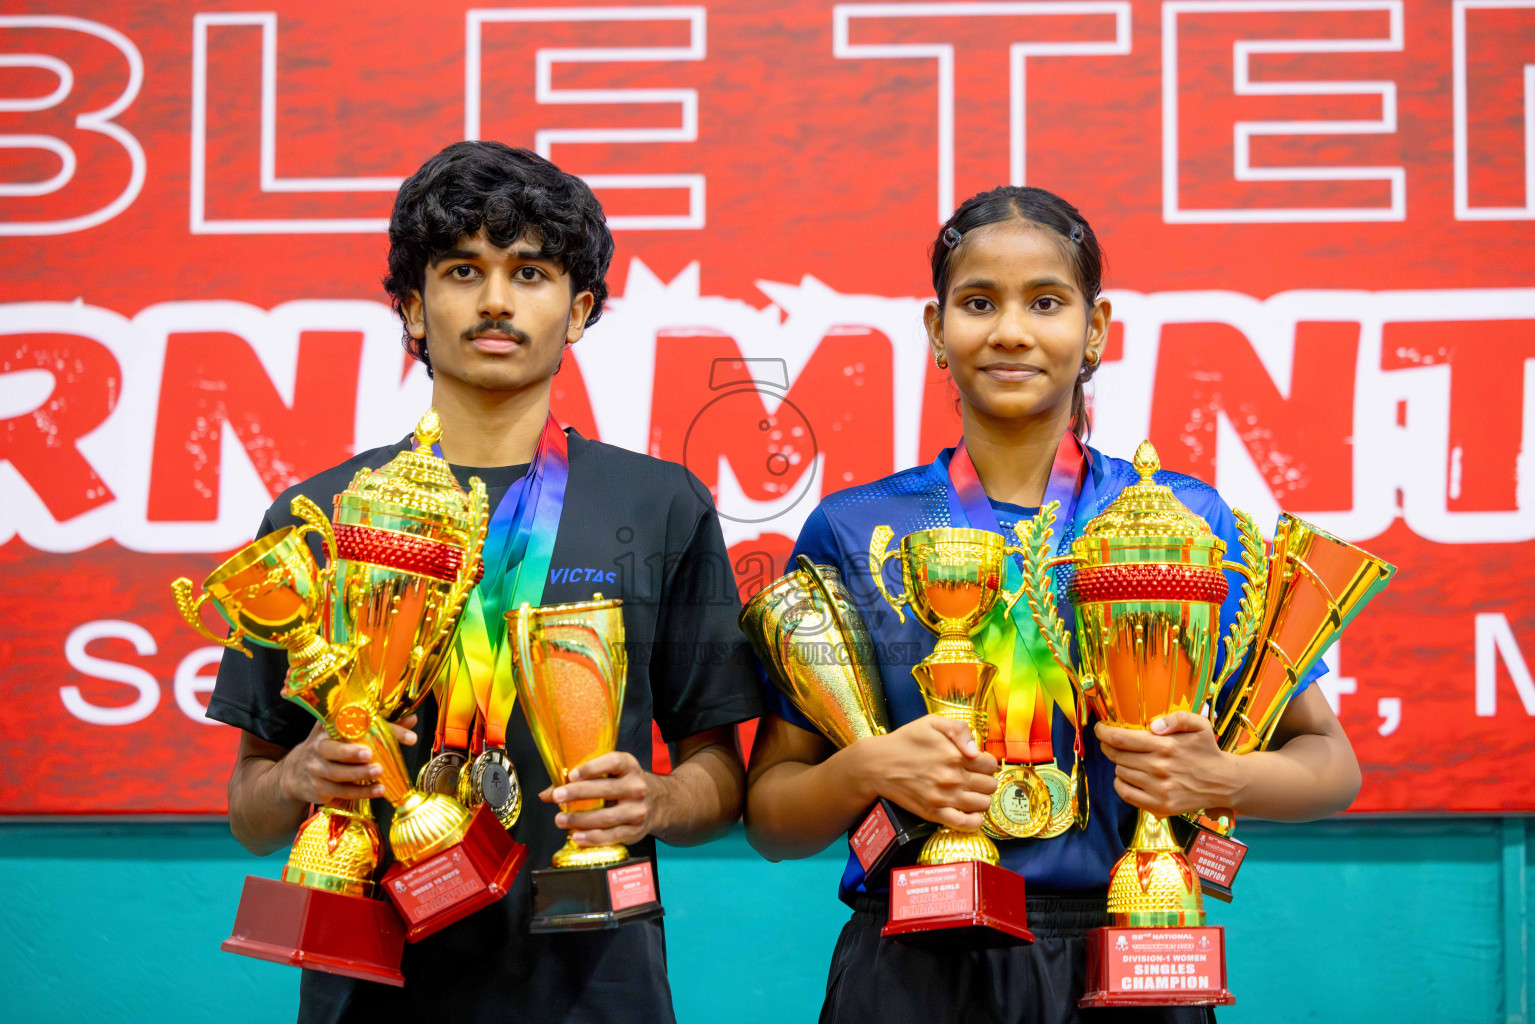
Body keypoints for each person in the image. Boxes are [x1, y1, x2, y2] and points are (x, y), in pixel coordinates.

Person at [742, 185, 1362, 1023]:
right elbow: (774, 819)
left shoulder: (1187, 523)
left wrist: (1221, 777)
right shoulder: (857, 528)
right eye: (976, 303)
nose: (1009, 330)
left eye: (1045, 301)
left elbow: (1330, 766)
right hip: (915, 956)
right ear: (935, 332)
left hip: (1135, 946)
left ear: (1096, 328)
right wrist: (868, 767)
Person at [207, 140, 763, 1024]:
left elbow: (720, 781)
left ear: (578, 311)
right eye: (463, 270)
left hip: (594, 978)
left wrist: (655, 798)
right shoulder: (319, 515)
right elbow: (251, 808)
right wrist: (300, 778)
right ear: (413, 310)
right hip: (373, 985)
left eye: (531, 273)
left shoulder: (658, 503)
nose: (497, 300)